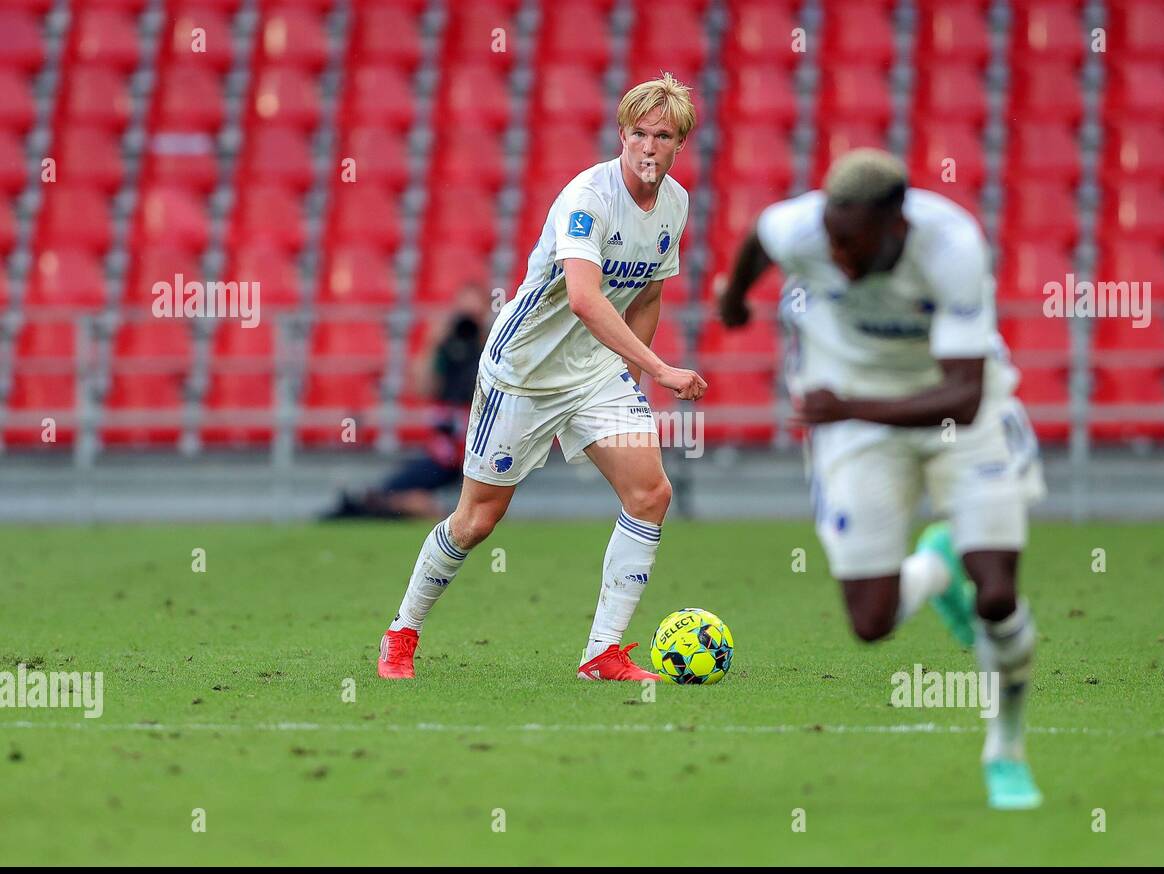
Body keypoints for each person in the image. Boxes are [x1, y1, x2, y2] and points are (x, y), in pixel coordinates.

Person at [716, 148, 1046, 810]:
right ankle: (933, 568)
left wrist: (848, 406)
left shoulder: (951, 247)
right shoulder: (805, 228)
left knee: (998, 593)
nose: (837, 256)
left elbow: (963, 397)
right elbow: (758, 237)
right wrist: (732, 301)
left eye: (853, 243)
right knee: (870, 623)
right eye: (832, 239)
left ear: (896, 223)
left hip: (957, 416)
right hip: (857, 426)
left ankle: (1005, 750)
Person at [376, 73, 705, 683]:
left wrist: (633, 376)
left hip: (595, 373)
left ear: (680, 143)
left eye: (663, 136)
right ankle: (402, 632)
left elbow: (649, 293)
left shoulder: (676, 205)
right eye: (639, 133)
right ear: (621, 134)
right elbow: (584, 298)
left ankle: (601, 654)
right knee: (477, 520)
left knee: (650, 493)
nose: (649, 147)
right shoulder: (588, 197)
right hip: (523, 371)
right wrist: (661, 371)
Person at [323, 286, 488, 520]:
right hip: (442, 453)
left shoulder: (493, 350)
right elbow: (422, 389)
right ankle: (422, 509)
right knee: (389, 491)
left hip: (471, 453)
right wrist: (433, 343)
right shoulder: (446, 351)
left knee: (392, 495)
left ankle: (432, 512)